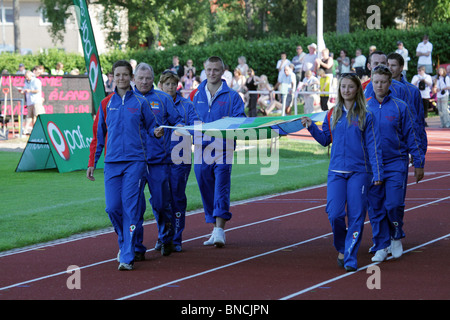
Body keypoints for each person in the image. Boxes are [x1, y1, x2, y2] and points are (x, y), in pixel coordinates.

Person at [301, 73, 383, 271]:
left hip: (359, 173)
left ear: (357, 90)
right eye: (343, 87)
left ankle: (350, 257)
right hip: (336, 172)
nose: (346, 90)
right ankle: (342, 246)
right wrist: (311, 128)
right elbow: (324, 140)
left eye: (350, 87)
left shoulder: (367, 115)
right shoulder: (331, 114)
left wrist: (378, 174)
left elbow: (373, 147)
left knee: (356, 216)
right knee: (335, 214)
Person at [86, 60, 161, 271]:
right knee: (112, 208)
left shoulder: (140, 102)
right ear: (112, 77)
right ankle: (125, 240)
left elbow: (152, 125)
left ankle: (126, 255)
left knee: (130, 208)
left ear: (131, 77)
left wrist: (157, 131)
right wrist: (93, 161)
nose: (121, 78)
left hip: (136, 162)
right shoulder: (105, 103)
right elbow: (98, 135)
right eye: (117, 75)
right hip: (112, 163)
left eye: (125, 75)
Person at [366, 65, 425, 262]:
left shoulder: (401, 106)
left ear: (390, 83)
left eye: (383, 82)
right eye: (376, 82)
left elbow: (412, 136)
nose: (379, 85)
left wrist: (418, 163)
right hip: (373, 166)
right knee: (376, 207)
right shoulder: (365, 107)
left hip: (396, 163)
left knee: (393, 204)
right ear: (371, 82)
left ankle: (396, 234)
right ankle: (381, 245)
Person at [191, 56, 246, 248]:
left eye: (216, 70)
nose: (212, 73)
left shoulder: (233, 97)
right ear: (204, 71)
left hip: (223, 148)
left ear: (223, 72)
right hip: (200, 149)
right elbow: (188, 118)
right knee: (205, 186)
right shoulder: (195, 95)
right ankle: (214, 228)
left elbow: (241, 121)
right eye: (209, 70)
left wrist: (227, 124)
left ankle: (220, 229)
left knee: (221, 186)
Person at [133, 64, 184, 257]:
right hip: (134, 162)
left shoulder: (163, 98)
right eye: (140, 78)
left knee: (161, 204)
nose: (144, 81)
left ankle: (166, 237)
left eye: (148, 78)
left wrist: (173, 128)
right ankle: (136, 247)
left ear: (153, 79)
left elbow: (178, 120)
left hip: (159, 161)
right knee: (134, 207)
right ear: (134, 79)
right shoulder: (127, 99)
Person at [159, 70, 198, 252]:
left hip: (180, 157)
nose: (171, 87)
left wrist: (186, 128)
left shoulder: (186, 105)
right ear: (161, 85)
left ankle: (176, 238)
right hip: (158, 158)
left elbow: (196, 126)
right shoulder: (154, 104)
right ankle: (163, 235)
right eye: (167, 84)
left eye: (174, 84)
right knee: (159, 199)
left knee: (177, 197)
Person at [19, 70, 45, 134]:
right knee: (29, 116)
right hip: (29, 101)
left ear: (31, 75)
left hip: (36, 100)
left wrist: (30, 91)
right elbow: (25, 90)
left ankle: (38, 129)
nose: (26, 78)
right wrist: (22, 91)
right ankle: (26, 129)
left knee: (36, 115)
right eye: (26, 77)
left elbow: (38, 90)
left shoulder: (36, 81)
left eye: (27, 77)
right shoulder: (26, 82)